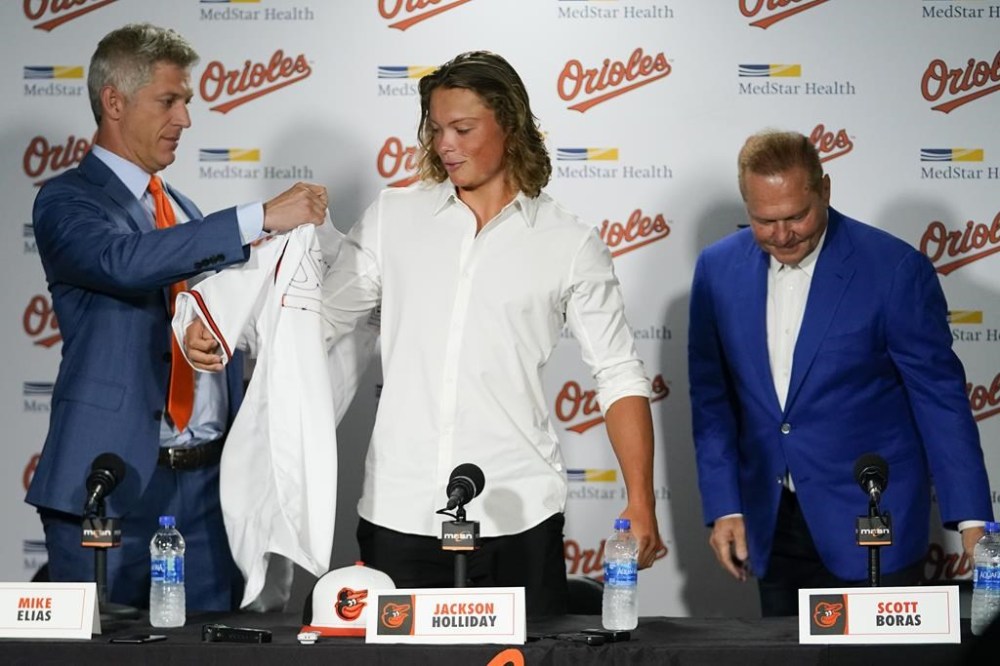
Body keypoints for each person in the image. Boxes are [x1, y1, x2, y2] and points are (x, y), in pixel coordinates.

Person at [188, 51, 666, 616]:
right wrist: (228, 330)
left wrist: (640, 500)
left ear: (511, 127)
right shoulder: (394, 216)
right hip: (399, 513)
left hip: (521, 514)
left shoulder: (571, 242)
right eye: (436, 129)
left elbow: (617, 374)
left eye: (463, 128)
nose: (445, 145)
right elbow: (317, 320)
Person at [26, 23, 327, 612]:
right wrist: (258, 216)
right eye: (170, 100)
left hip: (211, 493)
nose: (186, 119)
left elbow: (196, 305)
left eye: (186, 101)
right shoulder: (67, 200)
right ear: (114, 102)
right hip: (110, 487)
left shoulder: (182, 208)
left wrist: (206, 332)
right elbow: (121, 262)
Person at [687, 129, 993, 616]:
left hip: (873, 521)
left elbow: (940, 400)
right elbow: (712, 400)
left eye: (796, 216)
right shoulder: (716, 270)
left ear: (824, 190)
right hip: (774, 524)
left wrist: (975, 521)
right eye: (765, 221)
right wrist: (726, 505)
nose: (782, 234)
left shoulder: (893, 269)